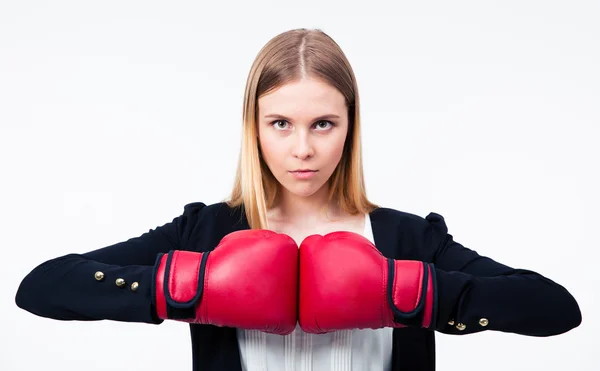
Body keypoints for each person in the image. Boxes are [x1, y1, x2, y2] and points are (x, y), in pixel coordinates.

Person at [15, 28, 582, 371]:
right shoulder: (206, 233)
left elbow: (556, 308)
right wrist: (185, 287)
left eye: (324, 123)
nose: (303, 148)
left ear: (350, 127)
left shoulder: (409, 239)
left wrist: (412, 292)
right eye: (281, 123)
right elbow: (41, 286)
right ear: (254, 127)